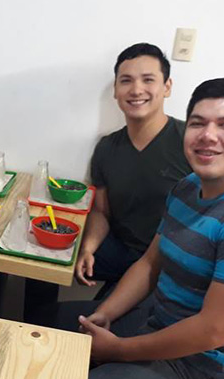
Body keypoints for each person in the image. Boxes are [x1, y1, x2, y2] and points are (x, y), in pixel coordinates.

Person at [32, 78, 224, 379]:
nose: (208, 135)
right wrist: (107, 313)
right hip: (156, 320)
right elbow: (150, 263)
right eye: (198, 123)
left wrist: (118, 350)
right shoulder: (188, 187)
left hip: (200, 369)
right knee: (40, 327)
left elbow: (214, 331)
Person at [74, 43, 192, 294]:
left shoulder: (191, 142)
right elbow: (101, 212)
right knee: (47, 253)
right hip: (120, 251)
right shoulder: (107, 147)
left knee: (92, 317)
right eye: (126, 81)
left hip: (168, 265)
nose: (136, 90)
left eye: (148, 80)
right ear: (116, 91)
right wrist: (88, 248)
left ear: (167, 87)